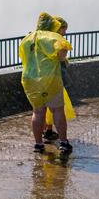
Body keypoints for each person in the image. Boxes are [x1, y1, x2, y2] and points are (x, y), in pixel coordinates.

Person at [20, 12, 73, 154]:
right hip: (49, 79)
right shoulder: (50, 37)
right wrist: (62, 54)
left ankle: (38, 144)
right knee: (57, 110)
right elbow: (62, 53)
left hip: (30, 80)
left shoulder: (27, 39)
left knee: (38, 112)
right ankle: (63, 142)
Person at [43, 16, 75, 142]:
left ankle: (48, 130)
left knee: (45, 108)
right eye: (63, 29)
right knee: (56, 109)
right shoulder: (55, 41)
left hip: (41, 79)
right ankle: (61, 139)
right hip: (53, 78)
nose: (65, 33)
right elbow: (60, 59)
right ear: (58, 28)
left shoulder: (43, 39)